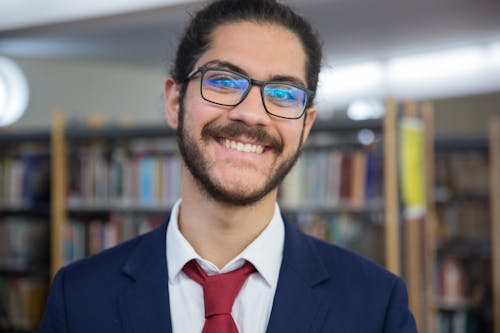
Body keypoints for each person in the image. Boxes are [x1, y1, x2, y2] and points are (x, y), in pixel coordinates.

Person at [39, 0, 417, 332]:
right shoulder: (80, 298)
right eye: (223, 81)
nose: (252, 114)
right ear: (175, 102)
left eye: (284, 93)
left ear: (306, 125)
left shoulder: (376, 305)